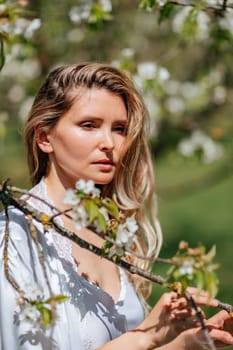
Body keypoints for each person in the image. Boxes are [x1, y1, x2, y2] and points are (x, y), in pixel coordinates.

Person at [0, 62, 233, 350]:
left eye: (119, 129)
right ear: (44, 137)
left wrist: (183, 344)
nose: (109, 143)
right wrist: (145, 336)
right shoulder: (16, 241)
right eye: (89, 125)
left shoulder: (114, 232)